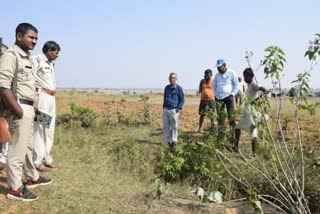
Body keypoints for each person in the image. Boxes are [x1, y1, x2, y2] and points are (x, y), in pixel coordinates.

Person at [0, 23, 52, 201]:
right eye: (31, 37)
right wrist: (19, 111)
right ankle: (15, 189)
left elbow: (28, 85)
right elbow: (3, 86)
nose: (35, 41)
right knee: (16, 150)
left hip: (29, 107)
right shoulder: (11, 55)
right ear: (19, 36)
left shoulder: (27, 57)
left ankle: (32, 178)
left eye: (36, 38)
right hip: (20, 107)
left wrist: (34, 106)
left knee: (27, 147)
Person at [32, 41, 60, 172]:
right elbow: (30, 80)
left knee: (49, 129)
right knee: (40, 130)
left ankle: (47, 159)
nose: (57, 55)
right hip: (41, 97)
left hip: (50, 99)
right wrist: (34, 101)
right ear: (49, 50)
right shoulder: (37, 60)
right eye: (56, 52)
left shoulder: (50, 64)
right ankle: (37, 162)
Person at [233, 68, 268, 155]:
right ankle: (235, 147)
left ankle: (253, 153)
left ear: (250, 76)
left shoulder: (253, 84)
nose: (244, 79)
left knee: (253, 132)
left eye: (246, 77)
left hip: (250, 112)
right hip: (248, 111)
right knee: (237, 128)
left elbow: (263, 89)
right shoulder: (249, 84)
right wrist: (255, 100)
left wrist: (256, 100)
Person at [213, 59, 239, 141]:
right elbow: (214, 86)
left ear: (224, 65)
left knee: (231, 117)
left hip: (229, 97)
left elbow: (236, 84)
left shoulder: (231, 73)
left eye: (220, 67)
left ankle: (232, 137)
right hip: (219, 98)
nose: (218, 69)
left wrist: (232, 94)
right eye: (217, 67)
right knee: (220, 118)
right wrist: (216, 95)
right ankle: (220, 137)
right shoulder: (217, 75)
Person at [163, 73, 184, 150]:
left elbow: (182, 100)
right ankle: (167, 141)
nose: (172, 79)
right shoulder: (166, 88)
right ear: (169, 78)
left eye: (173, 78)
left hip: (174, 110)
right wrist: (164, 107)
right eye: (171, 78)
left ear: (176, 79)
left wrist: (178, 108)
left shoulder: (179, 88)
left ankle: (174, 142)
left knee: (174, 126)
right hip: (166, 109)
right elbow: (164, 98)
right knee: (166, 126)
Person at [197, 69, 215, 133]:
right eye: (205, 74)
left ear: (211, 75)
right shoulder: (202, 81)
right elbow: (200, 90)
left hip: (211, 101)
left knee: (212, 116)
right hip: (203, 101)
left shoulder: (213, 81)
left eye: (208, 75)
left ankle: (212, 129)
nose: (206, 76)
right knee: (202, 115)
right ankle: (200, 128)